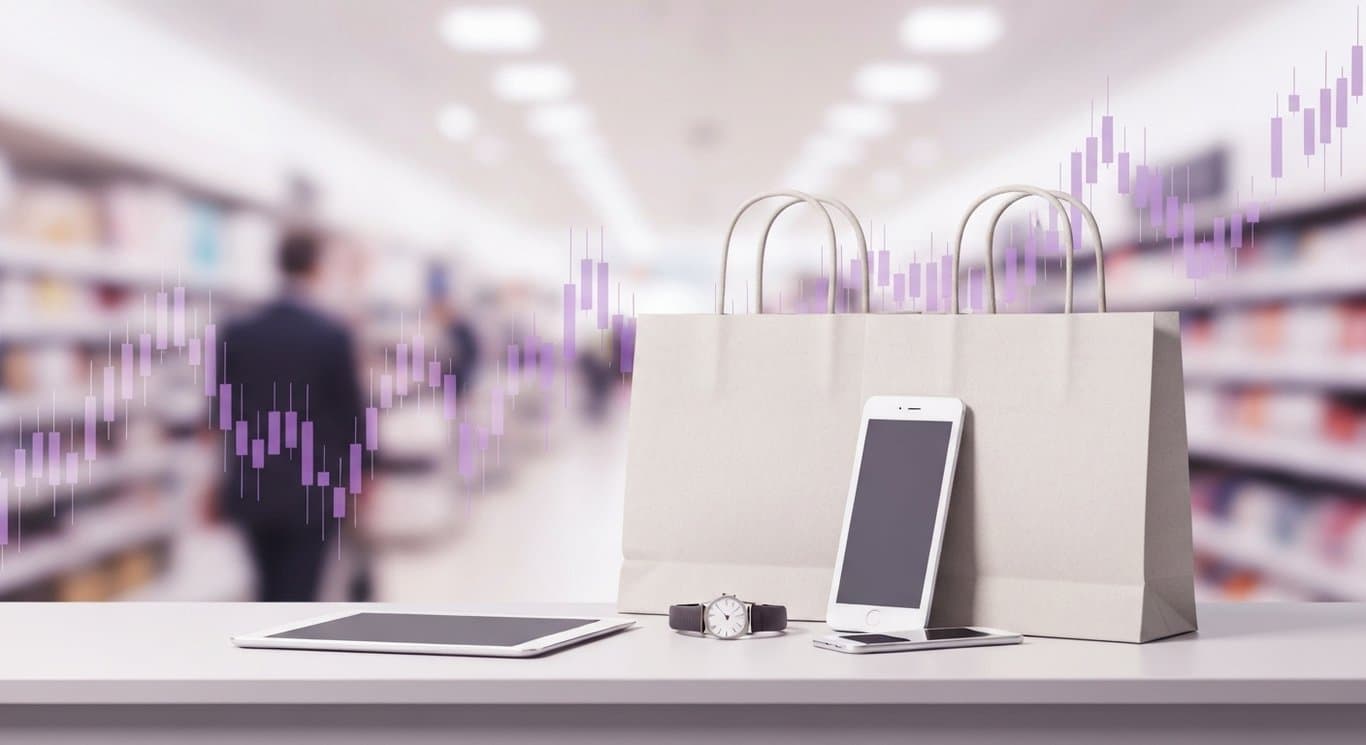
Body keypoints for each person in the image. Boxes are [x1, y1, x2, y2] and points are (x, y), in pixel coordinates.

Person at [218, 230, 363, 601]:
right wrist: (362, 476)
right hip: (313, 489)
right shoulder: (332, 335)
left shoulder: (237, 333)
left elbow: (222, 413)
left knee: (266, 587)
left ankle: (265, 653)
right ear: (317, 268)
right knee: (301, 591)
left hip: (253, 484)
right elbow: (352, 415)